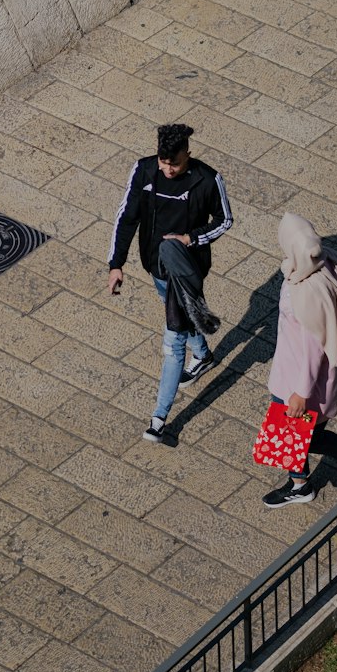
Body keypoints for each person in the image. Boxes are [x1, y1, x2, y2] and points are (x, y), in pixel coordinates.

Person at [108, 123, 233, 445]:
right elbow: (127, 218)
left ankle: (159, 419)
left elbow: (225, 221)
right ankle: (203, 354)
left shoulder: (207, 179)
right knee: (183, 314)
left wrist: (191, 238)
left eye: (174, 163)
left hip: (187, 271)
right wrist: (116, 264)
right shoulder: (144, 170)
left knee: (173, 344)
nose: (168, 169)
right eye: (164, 162)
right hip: (156, 267)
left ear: (187, 155)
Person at [262, 214, 337, 508]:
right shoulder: (317, 265)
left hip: (302, 381)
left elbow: (312, 348)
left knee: (304, 436)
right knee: (292, 433)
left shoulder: (305, 293)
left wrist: (300, 392)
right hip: (293, 372)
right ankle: (300, 483)